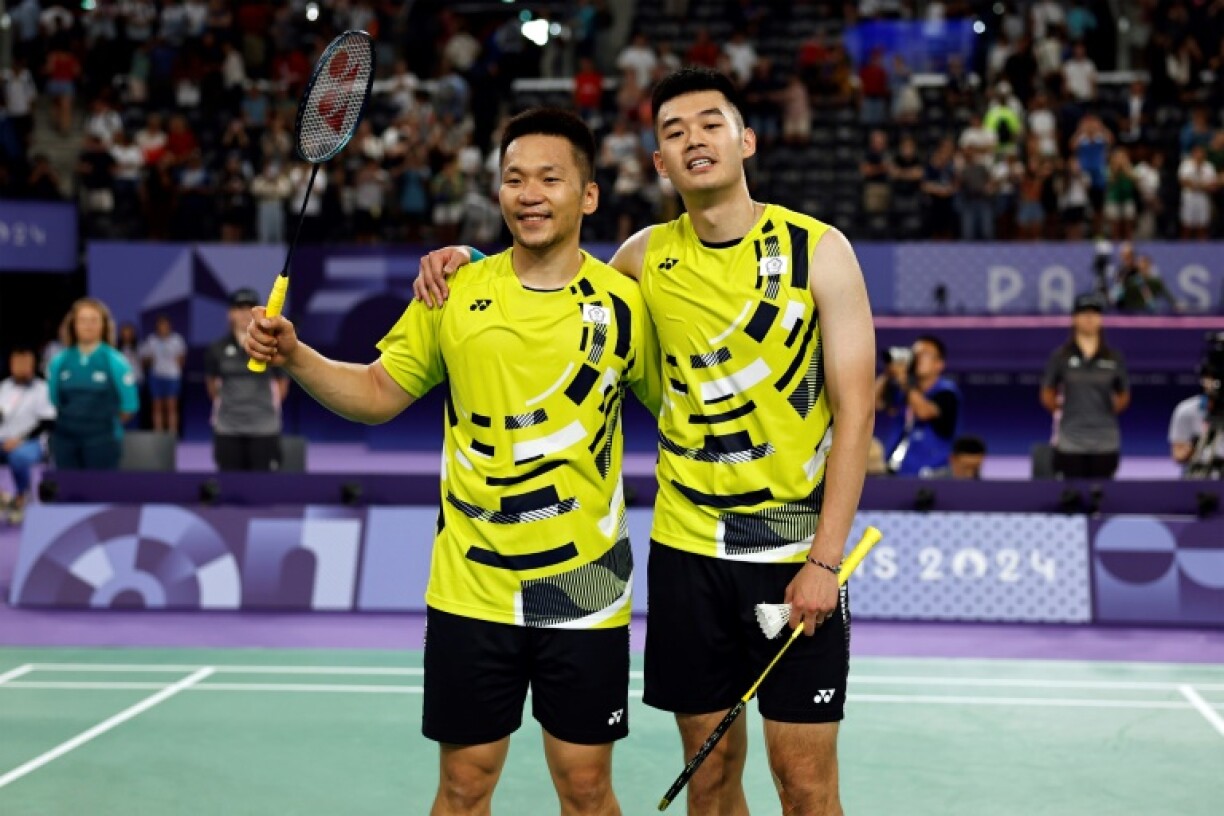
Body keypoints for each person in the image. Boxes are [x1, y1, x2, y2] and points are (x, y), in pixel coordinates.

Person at [414, 68, 876, 816]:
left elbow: (856, 415)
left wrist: (826, 558)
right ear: (659, 163)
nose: (693, 138)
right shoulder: (642, 260)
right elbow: (554, 272)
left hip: (792, 558)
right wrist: (463, 263)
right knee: (711, 772)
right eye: (673, 131)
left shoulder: (818, 251)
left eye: (709, 123)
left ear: (745, 140)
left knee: (806, 782)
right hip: (687, 552)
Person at [245, 108, 661, 816]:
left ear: (588, 196)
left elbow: (687, 412)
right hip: (474, 585)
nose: (528, 194)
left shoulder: (627, 305)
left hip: (586, 587)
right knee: (464, 788)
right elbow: (378, 392)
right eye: (513, 179)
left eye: (550, 179)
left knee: (588, 790)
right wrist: (296, 354)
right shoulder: (453, 291)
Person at [1040, 294, 1130, 479]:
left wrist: (1106, 411)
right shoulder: (1061, 357)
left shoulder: (1114, 357)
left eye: (1095, 313)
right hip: (1071, 439)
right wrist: (1063, 410)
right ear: (1074, 318)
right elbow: (1047, 392)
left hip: (1105, 439)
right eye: (1084, 313)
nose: (1089, 318)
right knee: (1072, 494)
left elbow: (1124, 393)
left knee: (1102, 494)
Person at [46, 299, 140, 470]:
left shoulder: (116, 361)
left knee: (103, 493)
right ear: (73, 325)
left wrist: (100, 425)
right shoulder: (58, 361)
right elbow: (54, 400)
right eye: (82, 320)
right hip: (65, 441)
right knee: (68, 492)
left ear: (104, 325)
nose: (88, 325)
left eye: (94, 320)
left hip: (103, 440)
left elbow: (129, 406)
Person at [206, 289, 289, 471]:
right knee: (229, 487)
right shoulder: (216, 348)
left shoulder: (272, 345)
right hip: (228, 428)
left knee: (263, 488)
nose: (244, 313)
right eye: (238, 308)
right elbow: (211, 383)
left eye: (249, 308)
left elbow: (282, 382)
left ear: (258, 313)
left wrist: (265, 408)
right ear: (230, 314)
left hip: (264, 427)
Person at [877, 335, 961, 476]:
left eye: (925, 354)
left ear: (939, 364)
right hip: (896, 469)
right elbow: (874, 403)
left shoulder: (947, 392)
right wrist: (888, 374)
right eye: (915, 354)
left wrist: (903, 378)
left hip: (933, 472)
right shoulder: (905, 389)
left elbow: (923, 412)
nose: (918, 358)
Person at [0, 347, 56, 523]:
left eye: (25, 362)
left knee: (19, 457)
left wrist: (20, 439)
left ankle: (21, 497)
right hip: (3, 439)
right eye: (17, 362)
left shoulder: (42, 388)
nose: (21, 366)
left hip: (32, 442)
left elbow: (47, 422)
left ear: (33, 364)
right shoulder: (4, 387)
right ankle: (4, 498)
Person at [1168, 332, 1224, 478]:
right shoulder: (1186, 411)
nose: (1212, 384)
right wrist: (1193, 447)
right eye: (1209, 377)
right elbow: (1178, 455)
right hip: (1199, 480)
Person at [141, 314, 187, 435]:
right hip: (156, 376)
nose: (163, 328)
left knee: (171, 406)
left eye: (165, 325)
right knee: (157, 406)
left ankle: (172, 435)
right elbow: (145, 360)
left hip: (172, 377)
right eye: (160, 326)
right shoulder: (151, 340)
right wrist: (150, 360)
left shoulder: (177, 340)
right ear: (157, 327)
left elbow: (181, 359)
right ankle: (159, 435)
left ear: (169, 326)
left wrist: (172, 368)